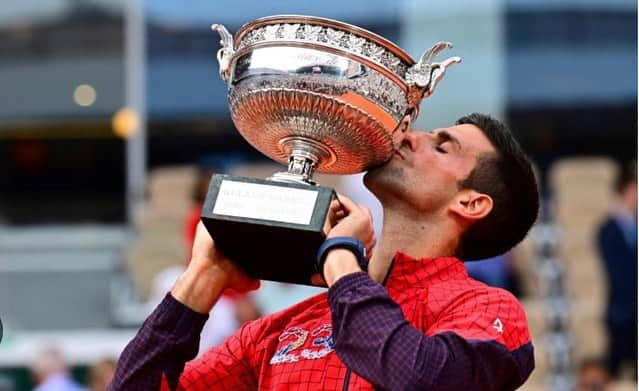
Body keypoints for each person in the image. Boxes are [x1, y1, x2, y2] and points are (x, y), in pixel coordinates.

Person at [109, 113, 539, 390]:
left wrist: (340, 260)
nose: (409, 136)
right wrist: (204, 276)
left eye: (441, 146)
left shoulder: (485, 309)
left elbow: (419, 376)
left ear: (470, 203)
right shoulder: (280, 331)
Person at [596, 161, 637, 378]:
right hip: (622, 309)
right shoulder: (607, 229)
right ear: (627, 190)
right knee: (615, 369)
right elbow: (616, 271)